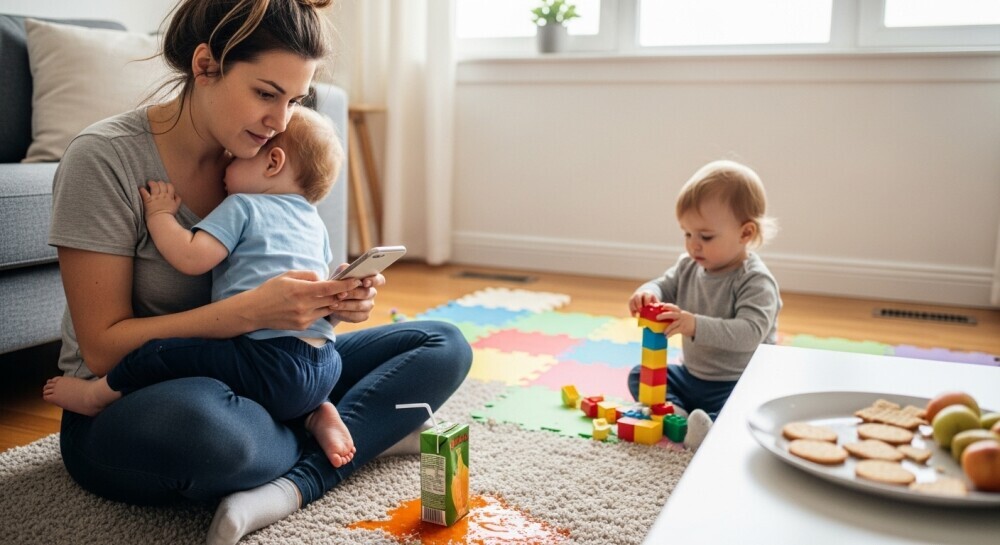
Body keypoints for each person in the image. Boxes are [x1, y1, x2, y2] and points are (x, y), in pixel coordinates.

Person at [45, 1, 472, 544]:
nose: (281, 121)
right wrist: (249, 311)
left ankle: (294, 480)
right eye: (266, 94)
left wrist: (329, 307)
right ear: (205, 66)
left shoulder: (272, 171)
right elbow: (104, 351)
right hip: (132, 400)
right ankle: (353, 434)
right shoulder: (104, 159)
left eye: (294, 100)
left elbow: (282, 300)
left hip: (261, 373)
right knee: (215, 436)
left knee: (444, 343)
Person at [44, 107, 358, 468]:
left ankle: (97, 395)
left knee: (159, 354)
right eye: (266, 95)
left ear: (273, 163)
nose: (227, 166)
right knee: (213, 430)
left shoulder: (243, 205)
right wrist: (336, 304)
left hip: (264, 360)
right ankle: (313, 414)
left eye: (241, 159)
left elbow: (191, 257)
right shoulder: (313, 224)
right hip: (321, 365)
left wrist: (161, 215)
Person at [627, 160, 781, 452]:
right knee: (639, 375)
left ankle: (710, 427)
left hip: (735, 381)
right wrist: (647, 292)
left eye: (705, 236)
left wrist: (693, 324)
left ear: (745, 233)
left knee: (750, 407)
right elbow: (665, 285)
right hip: (692, 376)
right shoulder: (689, 266)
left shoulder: (755, 281)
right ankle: (678, 414)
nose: (693, 245)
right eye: (687, 233)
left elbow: (750, 332)